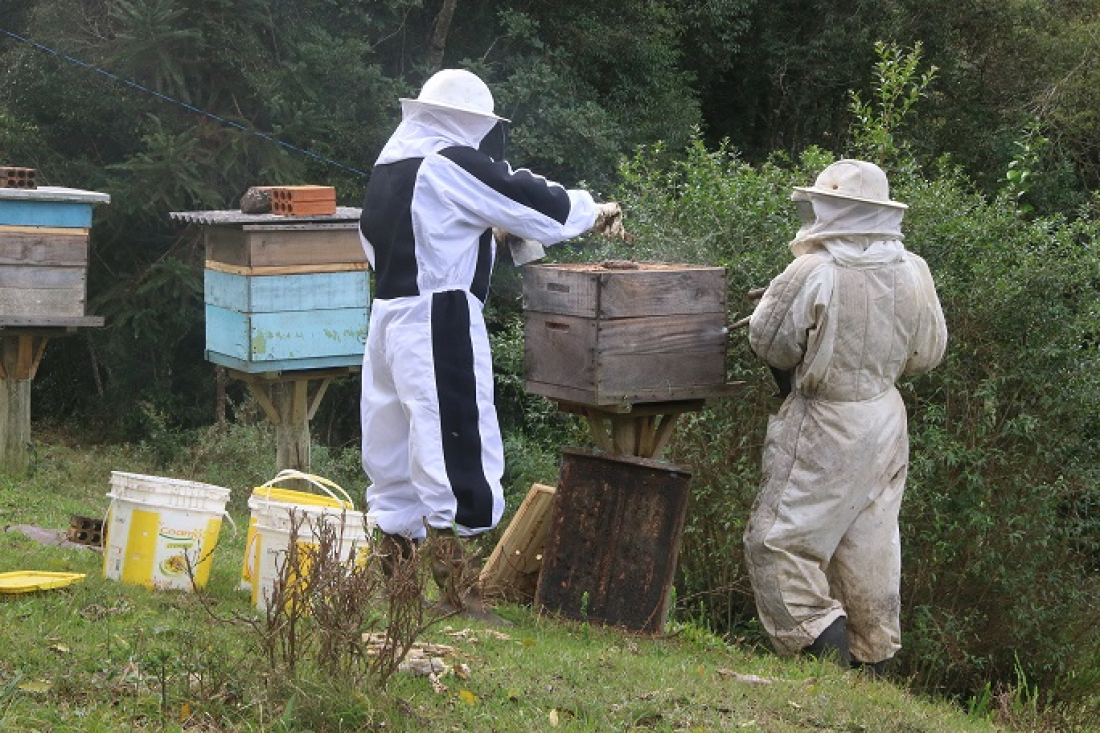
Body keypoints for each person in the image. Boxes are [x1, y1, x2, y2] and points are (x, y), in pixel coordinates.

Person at [358, 68, 623, 618]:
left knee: (394, 446)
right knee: (455, 441)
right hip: (441, 313)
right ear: (468, 122)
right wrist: (591, 210)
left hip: (388, 315)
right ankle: (457, 594)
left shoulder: (389, 167)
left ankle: (398, 588)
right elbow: (531, 200)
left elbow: (410, 234)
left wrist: (485, 234)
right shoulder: (448, 162)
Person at [743, 159, 947, 673]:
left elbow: (771, 345)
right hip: (885, 420)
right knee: (870, 548)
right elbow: (928, 354)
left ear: (833, 209)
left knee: (776, 545)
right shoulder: (914, 269)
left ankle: (826, 671)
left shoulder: (813, 271)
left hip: (825, 424)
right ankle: (870, 671)